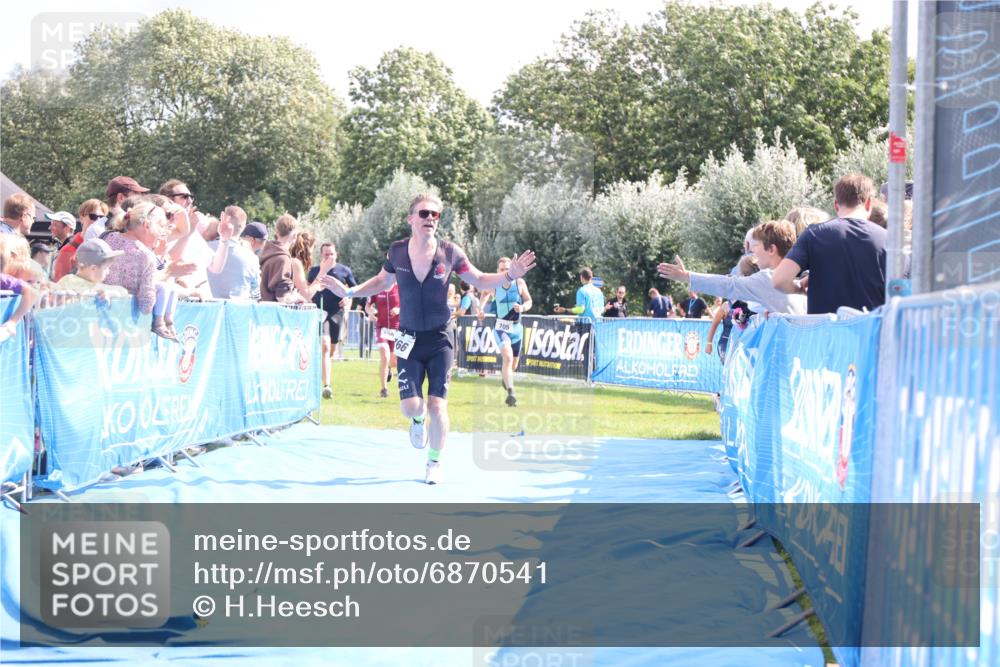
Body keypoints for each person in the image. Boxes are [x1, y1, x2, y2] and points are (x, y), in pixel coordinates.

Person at [319, 193, 537, 485]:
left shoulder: (450, 252)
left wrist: (509, 275)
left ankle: (434, 462)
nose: (430, 219)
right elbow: (382, 281)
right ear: (411, 219)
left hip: (440, 339)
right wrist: (349, 291)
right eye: (424, 214)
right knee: (411, 407)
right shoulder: (396, 252)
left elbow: (480, 280)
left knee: (437, 404)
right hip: (408, 337)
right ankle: (418, 422)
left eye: (435, 214)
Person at [772, 173, 887, 314]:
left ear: (836, 205)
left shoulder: (814, 234)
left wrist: (800, 290)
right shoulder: (887, 239)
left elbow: (779, 280)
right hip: (871, 331)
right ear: (869, 203)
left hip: (825, 332)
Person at [658, 220, 807, 315]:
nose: (753, 251)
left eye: (757, 245)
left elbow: (728, 285)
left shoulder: (768, 278)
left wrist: (686, 276)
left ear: (771, 249)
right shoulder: (801, 276)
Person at [104, 201, 181, 340]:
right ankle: (163, 324)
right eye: (161, 226)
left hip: (93, 312)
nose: (163, 233)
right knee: (166, 287)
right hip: (122, 326)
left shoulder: (107, 237)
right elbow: (146, 305)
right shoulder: (145, 255)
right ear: (146, 225)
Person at [478, 256, 533, 407]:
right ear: (498, 271)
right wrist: (481, 309)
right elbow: (484, 294)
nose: (505, 272)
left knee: (513, 364)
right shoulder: (495, 284)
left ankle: (506, 378)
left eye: (507, 269)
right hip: (501, 327)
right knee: (507, 358)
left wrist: (522, 308)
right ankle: (511, 393)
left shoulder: (520, 283)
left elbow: (529, 301)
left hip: (517, 329)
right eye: (502, 269)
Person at [308, 243, 352, 398]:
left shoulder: (344, 271)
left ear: (336, 254)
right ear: (321, 255)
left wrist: (347, 299)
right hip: (319, 311)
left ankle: (326, 372)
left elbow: (354, 290)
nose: (328, 257)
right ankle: (326, 386)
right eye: (325, 254)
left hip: (336, 313)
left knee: (331, 350)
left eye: (331, 254)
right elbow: (306, 289)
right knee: (325, 347)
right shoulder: (314, 271)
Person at [206, 206, 261, 300]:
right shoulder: (252, 258)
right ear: (243, 227)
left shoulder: (204, 248)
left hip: (206, 310)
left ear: (221, 222)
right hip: (238, 311)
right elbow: (256, 292)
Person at [56, 239, 130, 299]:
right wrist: (112, 293)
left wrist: (111, 293)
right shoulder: (74, 284)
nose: (108, 272)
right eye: (106, 268)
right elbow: (123, 292)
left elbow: (122, 291)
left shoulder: (66, 280)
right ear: (93, 268)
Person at [259, 214, 304, 303]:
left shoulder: (265, 253)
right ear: (295, 236)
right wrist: (297, 299)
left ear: (277, 233)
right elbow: (282, 296)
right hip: (274, 313)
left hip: (262, 311)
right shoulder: (283, 259)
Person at [367, 283, 400, 398]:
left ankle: (389, 368)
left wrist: (398, 309)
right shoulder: (377, 288)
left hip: (397, 328)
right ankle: (384, 389)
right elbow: (368, 306)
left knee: (394, 362)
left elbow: (409, 304)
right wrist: (370, 313)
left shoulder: (400, 287)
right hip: (381, 327)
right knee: (384, 355)